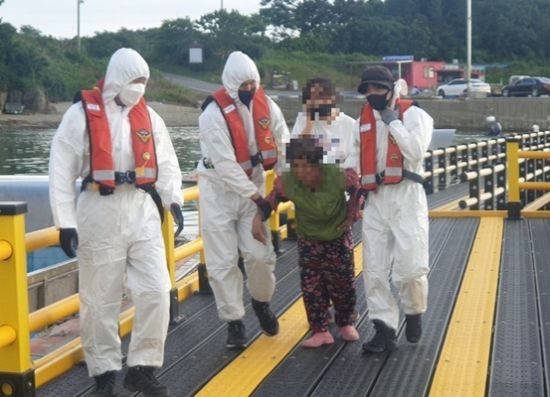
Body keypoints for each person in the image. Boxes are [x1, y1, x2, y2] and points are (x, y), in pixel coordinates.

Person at [49, 48, 183, 397]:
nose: (139, 88)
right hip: (99, 209)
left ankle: (142, 366)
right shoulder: (80, 115)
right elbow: (61, 169)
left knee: (157, 290)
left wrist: (175, 201)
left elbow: (166, 162)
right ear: (118, 78)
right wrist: (65, 221)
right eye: (134, 81)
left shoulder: (150, 117)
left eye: (144, 82)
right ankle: (104, 372)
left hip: (142, 209)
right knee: (100, 299)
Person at [197, 51, 290, 349]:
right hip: (218, 191)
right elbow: (224, 164)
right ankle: (234, 321)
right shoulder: (212, 115)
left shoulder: (268, 106)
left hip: (254, 186)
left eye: (254, 83)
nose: (250, 89)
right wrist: (258, 198)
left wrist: (282, 182)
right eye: (244, 84)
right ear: (231, 83)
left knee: (260, 255)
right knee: (222, 262)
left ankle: (261, 302)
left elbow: (283, 141)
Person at [344, 65, 433, 353]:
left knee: (410, 269)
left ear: (391, 88)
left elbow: (416, 152)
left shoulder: (415, 114)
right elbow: (355, 155)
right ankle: (384, 328)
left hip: (407, 196)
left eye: (377, 88)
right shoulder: (364, 119)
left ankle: (414, 310)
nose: (372, 94)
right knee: (374, 269)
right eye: (367, 90)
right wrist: (351, 182)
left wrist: (394, 122)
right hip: (376, 199)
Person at [256, 136, 361, 348]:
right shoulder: (289, 183)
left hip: (337, 237)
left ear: (318, 164)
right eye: (295, 166)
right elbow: (271, 201)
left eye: (306, 166)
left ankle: (345, 323)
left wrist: (352, 212)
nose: (301, 171)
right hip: (309, 239)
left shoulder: (336, 175)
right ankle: (320, 330)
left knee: (343, 284)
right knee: (312, 286)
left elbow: (358, 188)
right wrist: (257, 220)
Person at [291, 78, 355, 166]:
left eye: (320, 97)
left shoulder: (350, 124)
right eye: (311, 98)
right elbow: (296, 155)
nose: (316, 102)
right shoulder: (303, 120)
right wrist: (309, 123)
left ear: (332, 98)